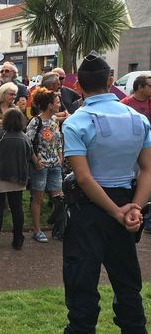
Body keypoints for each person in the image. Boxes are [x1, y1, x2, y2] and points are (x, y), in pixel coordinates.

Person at [61, 52, 151, 333]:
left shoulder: (76, 122)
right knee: (127, 286)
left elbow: (85, 179)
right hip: (126, 203)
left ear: (78, 86)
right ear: (111, 81)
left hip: (89, 209)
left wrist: (117, 211)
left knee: (81, 287)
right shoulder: (139, 120)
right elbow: (147, 170)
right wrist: (134, 208)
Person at [0, 109, 32, 250]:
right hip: (18, 176)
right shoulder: (25, 137)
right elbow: (29, 155)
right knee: (17, 208)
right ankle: (18, 239)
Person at [26, 88, 64, 243]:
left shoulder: (55, 120)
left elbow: (58, 140)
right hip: (40, 165)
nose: (59, 105)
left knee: (59, 198)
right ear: (49, 105)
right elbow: (28, 143)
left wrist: (60, 157)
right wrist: (36, 161)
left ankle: (58, 228)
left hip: (55, 163)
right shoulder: (36, 121)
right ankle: (37, 229)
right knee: (38, 198)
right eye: (57, 102)